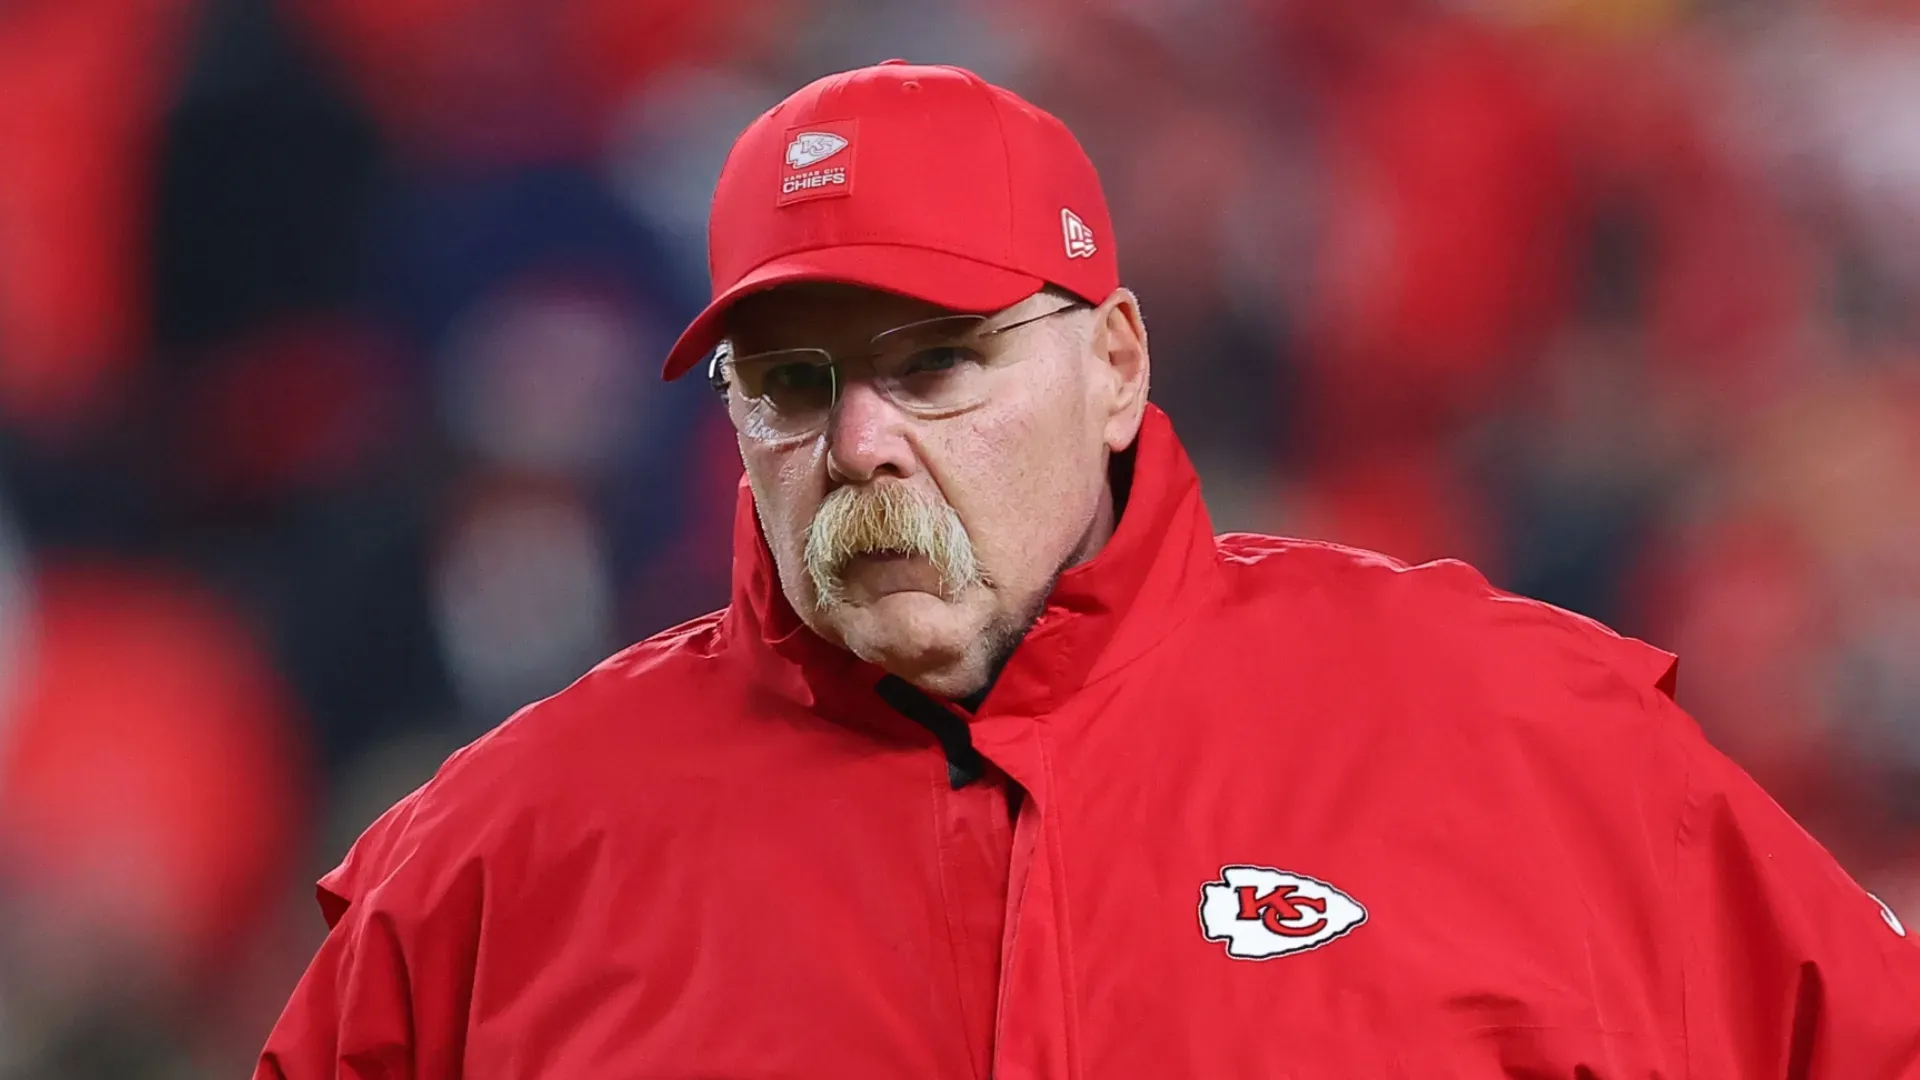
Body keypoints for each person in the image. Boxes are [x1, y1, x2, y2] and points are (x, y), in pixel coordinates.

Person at [256, 61, 1920, 1078]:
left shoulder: (1509, 736)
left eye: (936, 363)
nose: (861, 442)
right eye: (795, 383)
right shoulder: (498, 862)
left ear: (1115, 364)